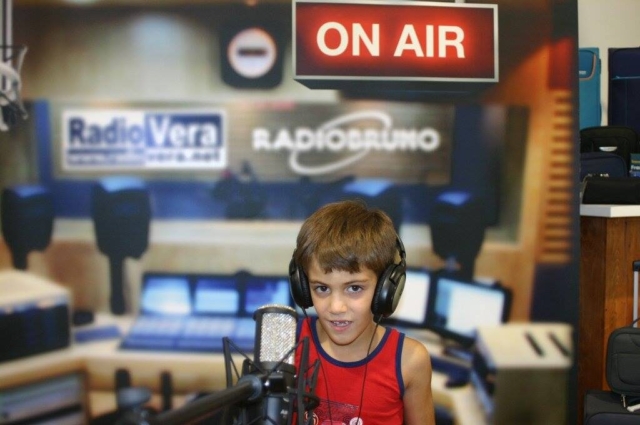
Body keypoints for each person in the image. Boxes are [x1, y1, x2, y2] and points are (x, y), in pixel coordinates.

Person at [289, 199, 436, 425]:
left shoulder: (410, 360)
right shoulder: (287, 342)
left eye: (354, 288)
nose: (336, 308)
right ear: (303, 289)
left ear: (385, 290)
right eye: (322, 288)